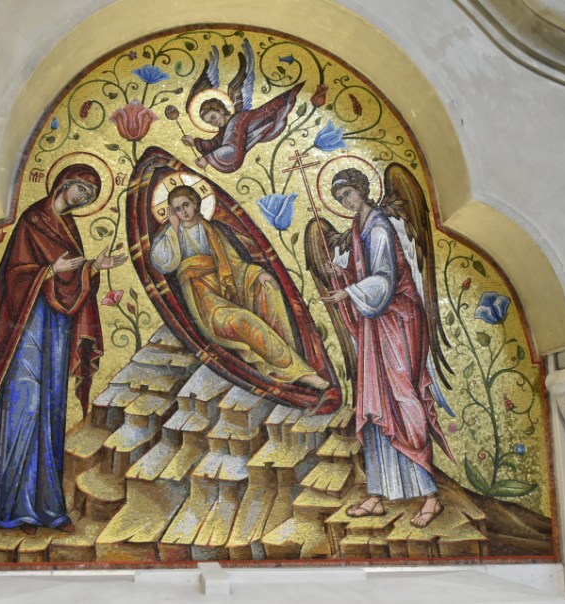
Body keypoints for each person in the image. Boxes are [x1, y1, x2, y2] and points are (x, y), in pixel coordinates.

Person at [0, 163, 127, 533]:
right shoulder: (32, 220)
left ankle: (46, 507)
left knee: (49, 410)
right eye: (81, 190)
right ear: (64, 183)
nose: (82, 198)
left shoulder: (69, 228)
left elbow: (72, 280)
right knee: (22, 407)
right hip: (24, 330)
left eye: (89, 196)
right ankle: (6, 507)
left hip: (56, 331)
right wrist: (50, 271)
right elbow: (12, 276)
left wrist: (92, 267)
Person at [318, 168, 454, 528]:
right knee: (375, 402)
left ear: (362, 190)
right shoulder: (358, 227)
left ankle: (430, 495)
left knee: (403, 399)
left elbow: (385, 281)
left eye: (349, 194)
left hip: (398, 321)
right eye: (341, 198)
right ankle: (377, 494)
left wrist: (349, 291)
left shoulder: (379, 227)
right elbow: (367, 279)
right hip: (376, 325)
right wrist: (343, 276)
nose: (346, 201)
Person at [151, 184, 328, 390]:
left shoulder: (212, 230)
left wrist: (258, 274)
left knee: (268, 290)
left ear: (196, 203)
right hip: (204, 299)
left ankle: (291, 361)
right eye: (177, 209)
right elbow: (164, 264)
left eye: (186, 205)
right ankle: (296, 371)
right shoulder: (172, 233)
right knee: (242, 321)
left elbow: (234, 265)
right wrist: (173, 229)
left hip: (226, 286)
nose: (183, 212)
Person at [181, 83, 304, 173]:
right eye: (209, 122)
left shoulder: (238, 120)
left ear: (220, 110)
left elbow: (233, 148)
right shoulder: (225, 129)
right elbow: (215, 143)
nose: (214, 122)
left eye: (213, 117)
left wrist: (208, 159)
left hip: (269, 120)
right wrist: (195, 142)